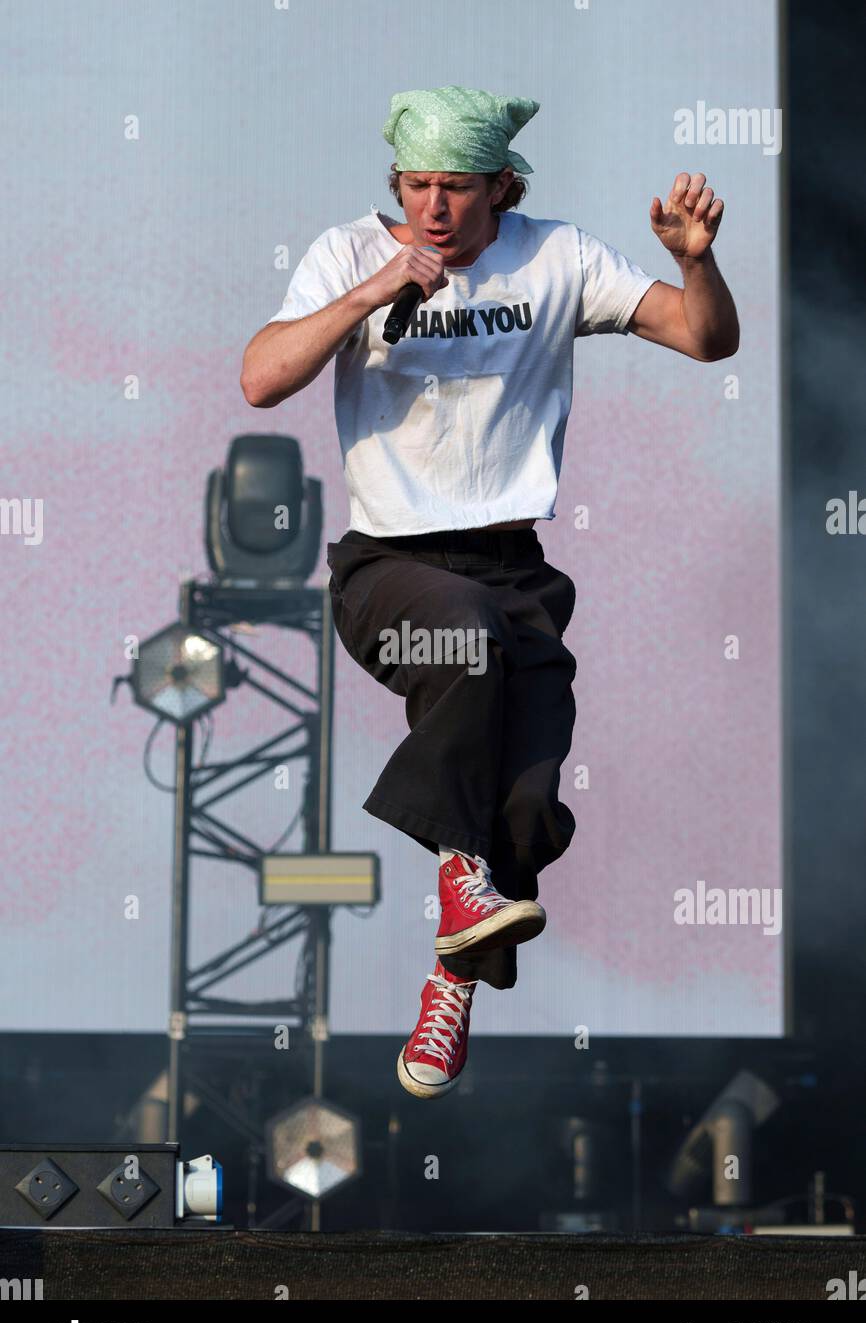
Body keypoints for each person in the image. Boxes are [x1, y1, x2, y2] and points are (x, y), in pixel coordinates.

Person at [241, 85, 739, 1100]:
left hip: (512, 570)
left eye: (456, 188)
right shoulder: (349, 254)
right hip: (389, 569)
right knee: (459, 639)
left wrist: (694, 259)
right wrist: (369, 294)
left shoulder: (555, 257)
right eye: (416, 185)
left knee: (527, 795)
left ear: (501, 187)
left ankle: (451, 971)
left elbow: (703, 340)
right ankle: (456, 874)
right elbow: (259, 378)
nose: (433, 207)